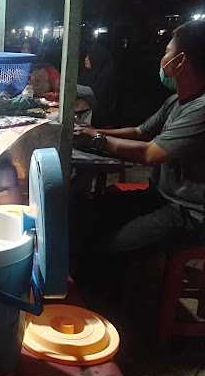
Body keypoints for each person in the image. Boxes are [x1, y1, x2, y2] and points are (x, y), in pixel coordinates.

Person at [72, 19, 205, 285]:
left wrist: (97, 139)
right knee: (83, 214)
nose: (162, 58)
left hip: (189, 215)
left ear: (180, 61)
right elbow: (139, 132)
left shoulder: (201, 109)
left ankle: (105, 311)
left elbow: (150, 154)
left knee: (106, 247)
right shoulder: (175, 102)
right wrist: (87, 131)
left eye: (167, 51)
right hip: (159, 197)